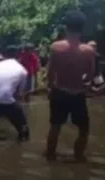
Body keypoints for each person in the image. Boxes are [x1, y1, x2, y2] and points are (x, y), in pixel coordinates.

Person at [46, 10, 95, 162]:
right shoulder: (88, 51)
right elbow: (90, 74)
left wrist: (49, 88)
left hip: (59, 91)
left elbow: (50, 72)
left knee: (55, 126)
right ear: (82, 29)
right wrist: (85, 84)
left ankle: (50, 157)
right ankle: (78, 158)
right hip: (78, 94)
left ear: (66, 28)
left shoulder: (56, 47)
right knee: (83, 130)